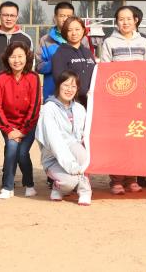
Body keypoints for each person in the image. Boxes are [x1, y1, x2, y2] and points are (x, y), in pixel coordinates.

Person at [0, 0, 33, 191]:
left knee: (12, 141)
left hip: (14, 102)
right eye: (5, 15)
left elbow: (29, 69)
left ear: (17, 16)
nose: (8, 18)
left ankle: (7, 177)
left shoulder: (26, 39)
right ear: (0, 15)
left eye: (12, 15)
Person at [98, 5, 146, 194]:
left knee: (135, 138)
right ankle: (116, 180)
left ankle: (132, 178)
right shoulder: (109, 42)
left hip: (137, 100)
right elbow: (105, 70)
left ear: (135, 20)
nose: (125, 22)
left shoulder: (143, 42)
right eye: (121, 19)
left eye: (129, 19)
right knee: (118, 140)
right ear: (116, 22)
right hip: (117, 99)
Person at [0, 40, 42, 199]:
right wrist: (8, 130)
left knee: (22, 153)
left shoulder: (33, 77)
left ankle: (29, 183)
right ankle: (7, 186)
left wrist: (23, 130)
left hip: (28, 124)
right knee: (12, 148)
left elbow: (35, 106)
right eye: (13, 56)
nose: (17, 60)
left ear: (27, 57)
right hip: (9, 125)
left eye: (20, 56)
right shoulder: (0, 78)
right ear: (7, 58)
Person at [36, 71, 92, 206]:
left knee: (82, 153)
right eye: (66, 85)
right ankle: (58, 187)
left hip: (75, 154)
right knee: (69, 183)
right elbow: (55, 142)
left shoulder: (79, 109)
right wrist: (72, 166)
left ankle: (85, 191)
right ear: (58, 86)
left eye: (73, 86)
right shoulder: (48, 109)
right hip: (53, 157)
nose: (69, 89)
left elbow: (84, 135)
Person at [50, 16, 96, 108]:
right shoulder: (60, 53)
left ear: (83, 30)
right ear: (65, 32)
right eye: (69, 30)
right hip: (71, 103)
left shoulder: (88, 53)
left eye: (77, 29)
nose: (74, 33)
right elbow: (59, 80)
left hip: (90, 102)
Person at [37, 2, 74, 100]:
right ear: (55, 17)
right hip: (52, 94)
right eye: (62, 16)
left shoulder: (81, 39)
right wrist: (55, 62)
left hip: (75, 94)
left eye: (69, 16)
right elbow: (38, 66)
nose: (65, 19)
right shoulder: (45, 40)